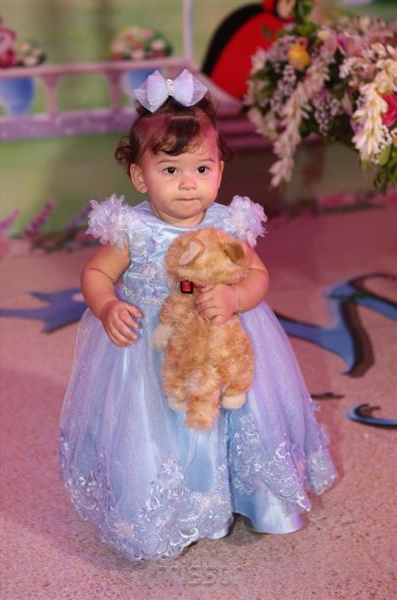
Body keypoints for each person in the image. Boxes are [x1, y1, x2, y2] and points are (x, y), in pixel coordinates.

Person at [58, 69, 336, 561]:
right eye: (170, 171)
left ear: (220, 171)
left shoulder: (229, 223)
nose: (189, 184)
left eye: (202, 169)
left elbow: (257, 275)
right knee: (155, 429)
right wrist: (107, 305)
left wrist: (235, 298)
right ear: (139, 176)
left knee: (245, 414)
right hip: (153, 350)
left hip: (223, 340)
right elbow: (96, 274)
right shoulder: (132, 229)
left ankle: (256, 495)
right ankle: (168, 510)